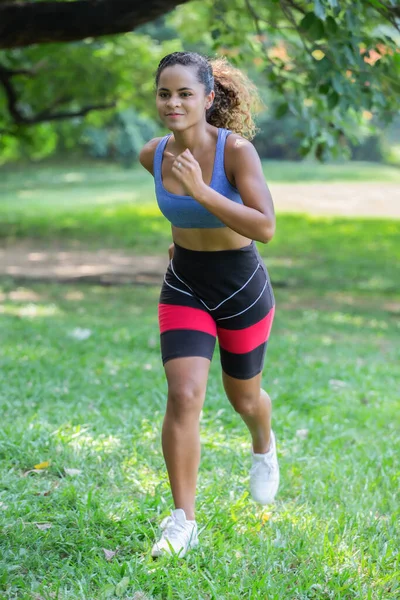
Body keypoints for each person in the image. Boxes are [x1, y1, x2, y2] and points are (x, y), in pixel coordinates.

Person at [139, 51, 278, 558]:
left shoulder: (236, 152)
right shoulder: (152, 155)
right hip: (185, 283)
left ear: (208, 98)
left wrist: (201, 190)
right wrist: (184, 240)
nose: (173, 102)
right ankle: (183, 522)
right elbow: (178, 212)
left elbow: (264, 226)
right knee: (184, 394)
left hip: (241, 288)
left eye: (184, 93)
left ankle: (263, 442)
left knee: (244, 398)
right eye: (164, 93)